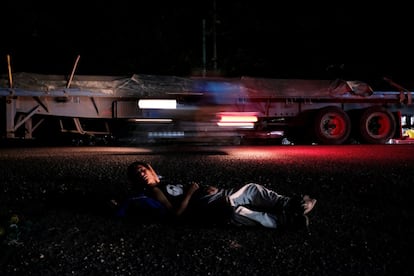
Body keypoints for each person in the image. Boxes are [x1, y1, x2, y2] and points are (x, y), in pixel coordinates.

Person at [117, 161, 317, 232]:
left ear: (151, 170)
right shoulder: (154, 191)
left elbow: (193, 186)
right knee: (237, 213)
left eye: (142, 169)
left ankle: (292, 204)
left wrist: (208, 187)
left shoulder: (164, 182)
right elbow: (175, 215)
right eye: (137, 174)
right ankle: (285, 221)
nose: (141, 173)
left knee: (252, 190)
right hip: (210, 207)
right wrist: (191, 192)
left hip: (219, 195)